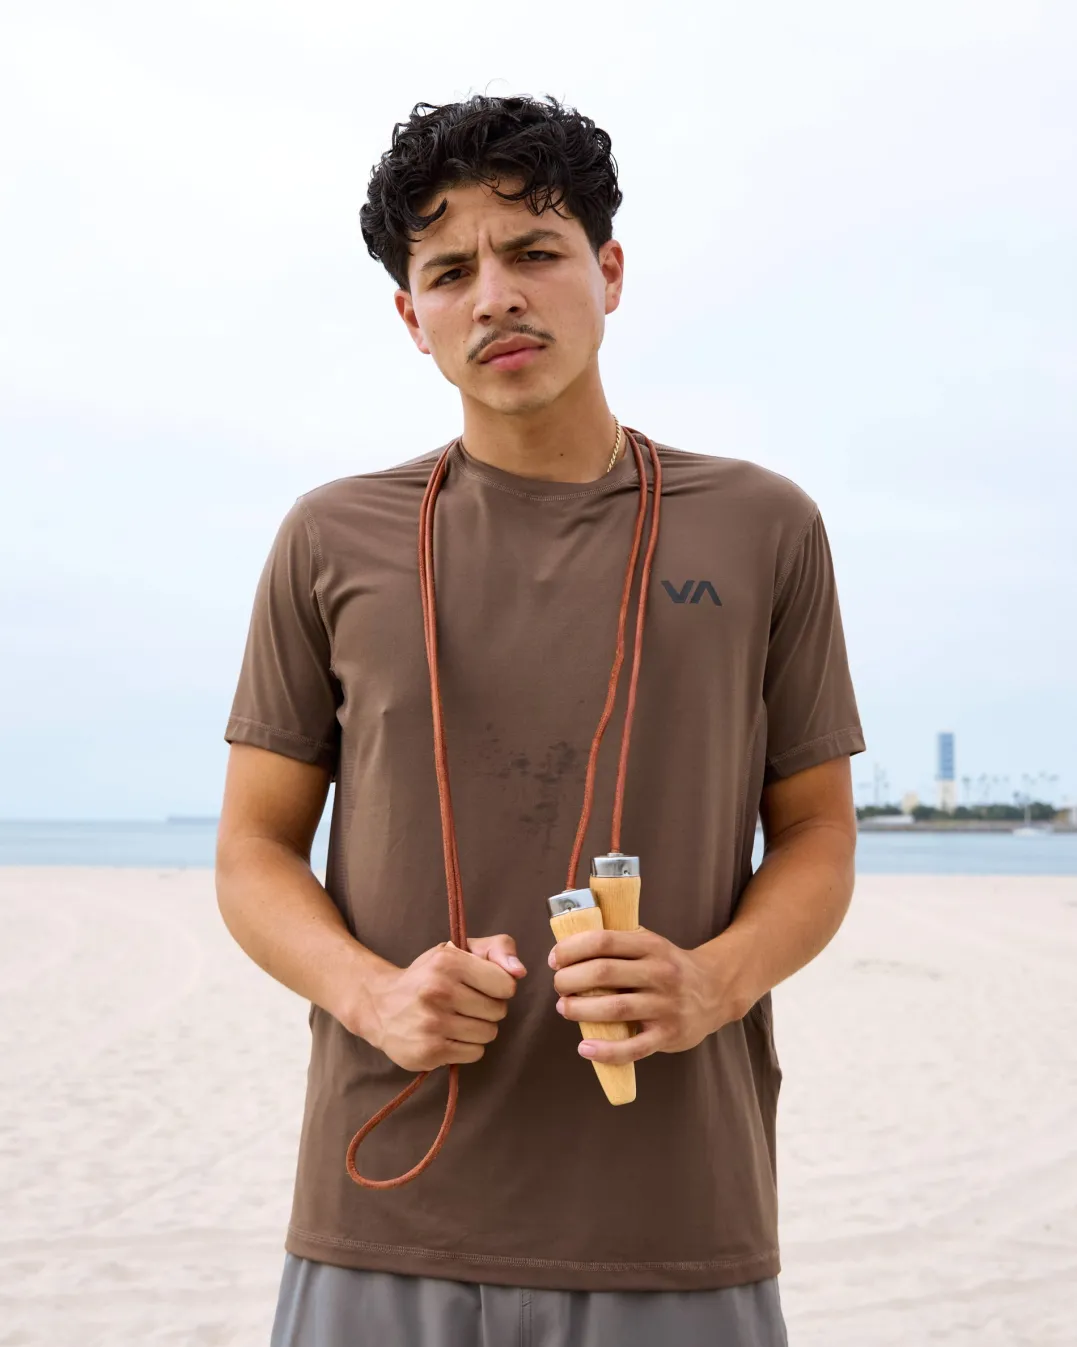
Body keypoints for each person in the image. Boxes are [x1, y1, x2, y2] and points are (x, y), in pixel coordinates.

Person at [216, 93, 865, 1347]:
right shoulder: (329, 538)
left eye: (534, 252)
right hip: (384, 1202)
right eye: (450, 272)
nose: (496, 297)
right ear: (411, 317)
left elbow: (819, 835)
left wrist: (712, 983)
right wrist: (372, 997)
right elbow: (252, 849)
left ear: (608, 272)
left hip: (676, 1215)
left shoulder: (762, 527)